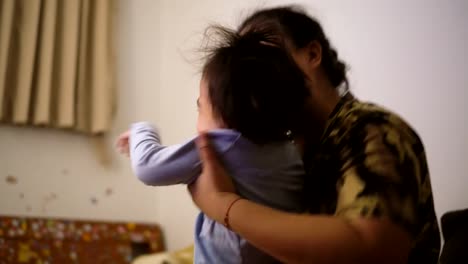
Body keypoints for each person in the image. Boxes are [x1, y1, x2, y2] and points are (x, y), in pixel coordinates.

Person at [188, 6, 441, 264]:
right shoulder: (285, 153)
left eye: (264, 56)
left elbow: (373, 247)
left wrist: (223, 205)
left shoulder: (371, 128)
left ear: (312, 54)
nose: (249, 77)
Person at [116, 27, 311, 263]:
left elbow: (148, 167)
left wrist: (143, 130)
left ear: (226, 115)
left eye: (201, 107)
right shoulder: (288, 149)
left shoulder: (221, 143)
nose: (198, 118)